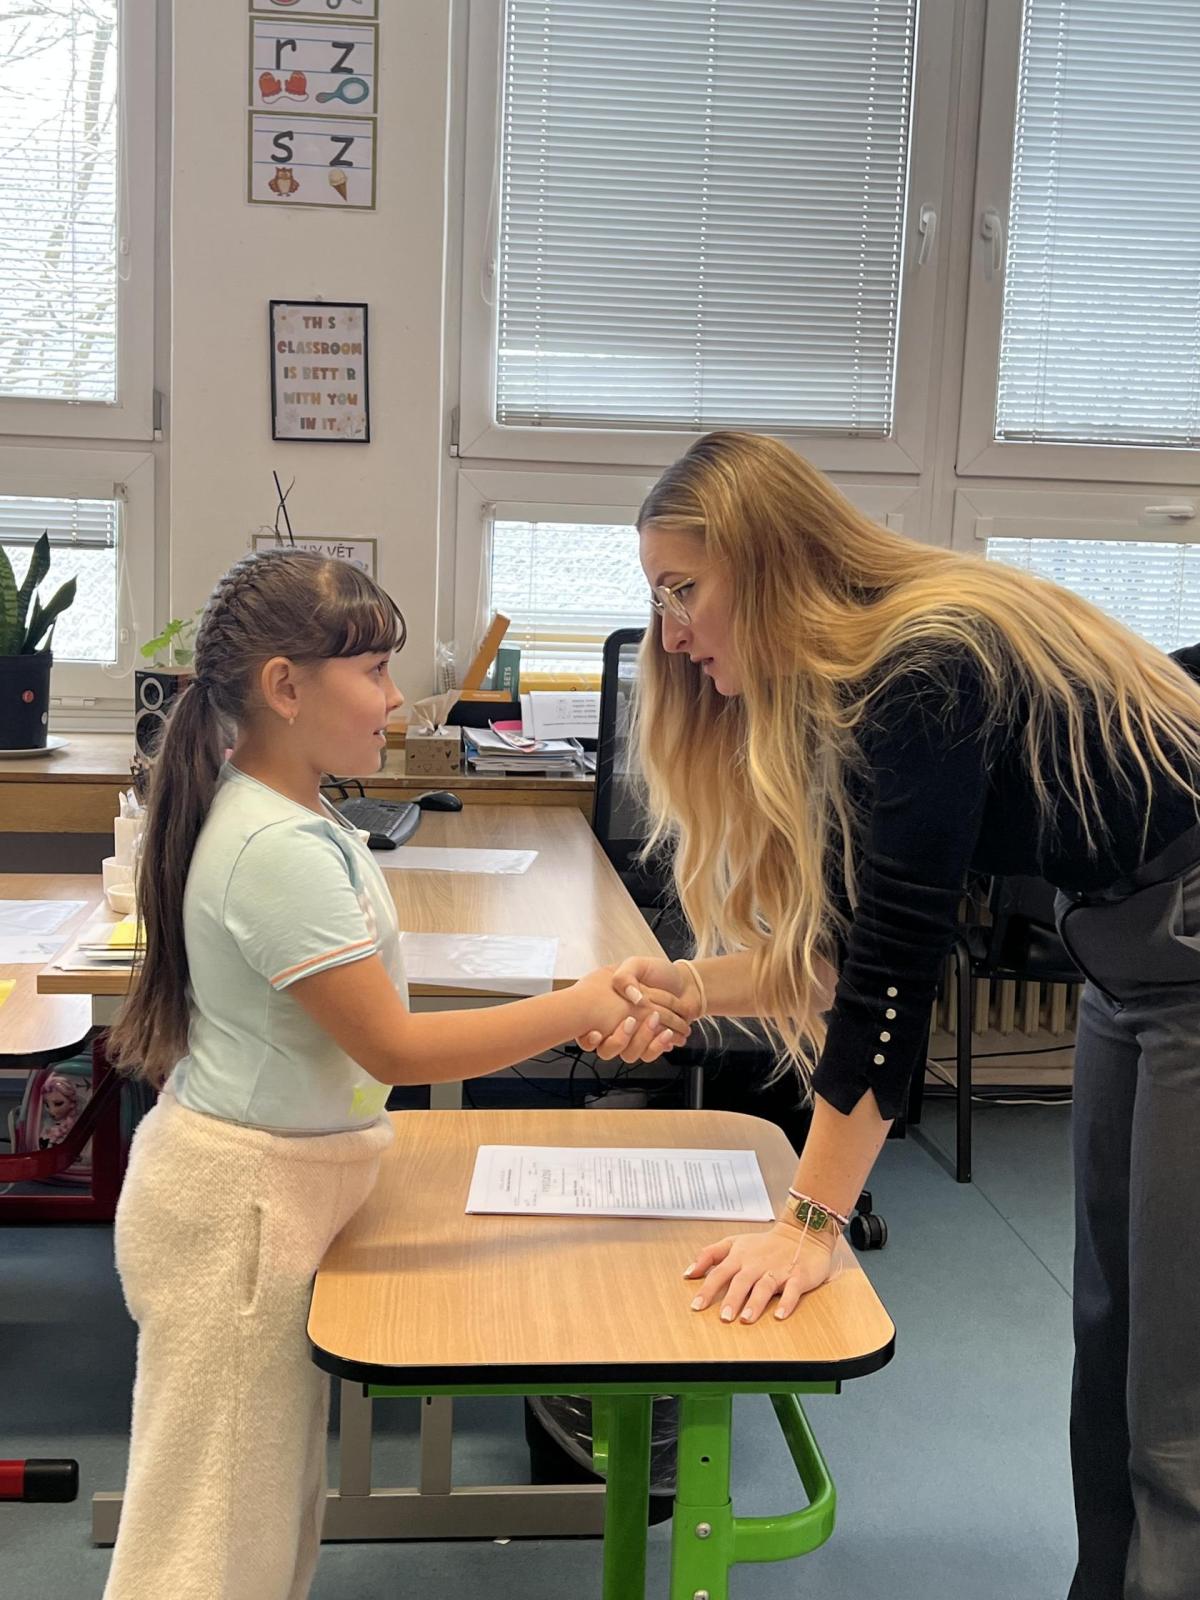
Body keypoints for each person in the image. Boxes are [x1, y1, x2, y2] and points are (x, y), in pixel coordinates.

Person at [577, 431, 1200, 1600]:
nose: (671, 631)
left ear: (765, 561)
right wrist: (691, 988)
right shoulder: (855, 685)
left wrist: (810, 1222)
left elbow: (894, 976)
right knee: (1112, 1348)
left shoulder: (923, 668)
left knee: (1179, 1401)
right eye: (656, 596)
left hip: (1186, 947)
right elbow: (841, 956)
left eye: (683, 589)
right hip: (1129, 954)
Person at [101, 549, 687, 1600]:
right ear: (285, 688)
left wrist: (588, 1003)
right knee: (209, 1540)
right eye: (372, 670)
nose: (394, 698)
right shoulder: (274, 847)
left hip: (267, 1190)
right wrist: (583, 1003)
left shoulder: (291, 814)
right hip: (238, 1211)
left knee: (259, 1520)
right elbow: (397, 1050)